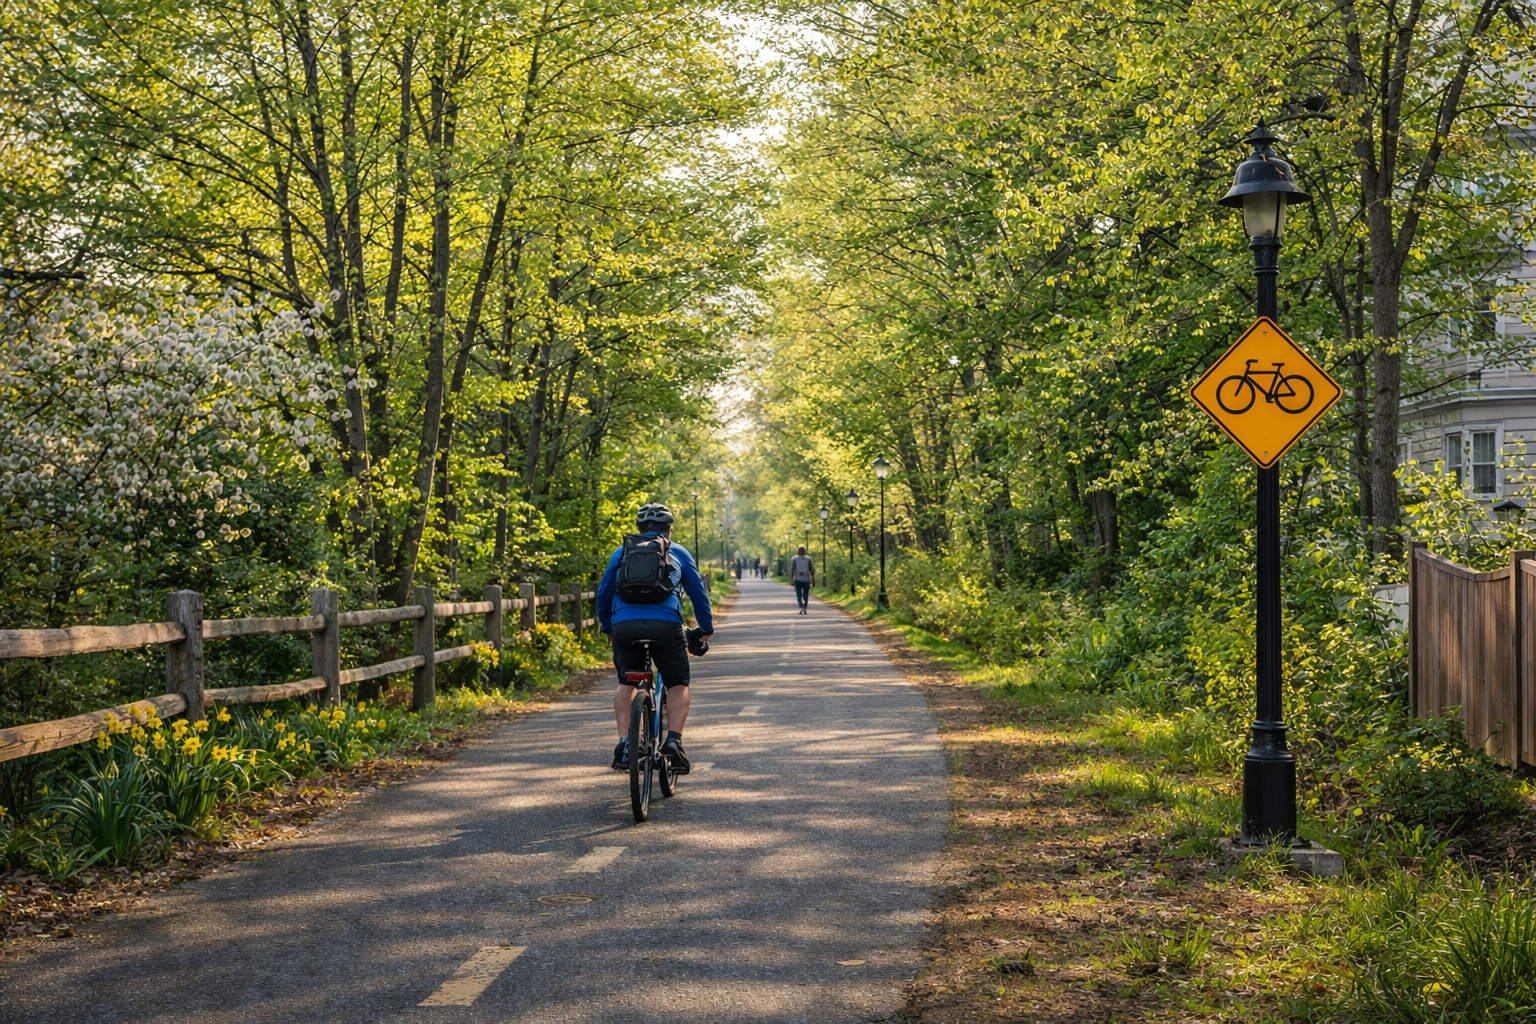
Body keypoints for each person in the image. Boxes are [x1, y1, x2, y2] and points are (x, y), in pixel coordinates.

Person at [597, 503, 713, 773]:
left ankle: (626, 743)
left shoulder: (621, 552)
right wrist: (705, 629)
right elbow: (697, 594)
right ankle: (673, 740)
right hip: (666, 626)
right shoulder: (679, 552)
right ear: (669, 531)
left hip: (625, 625)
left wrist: (608, 628)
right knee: (677, 682)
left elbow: (604, 593)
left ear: (639, 530)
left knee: (627, 682)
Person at [790, 545, 814, 614]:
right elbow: (811, 570)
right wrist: (812, 579)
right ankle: (803, 606)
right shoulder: (807, 559)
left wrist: (792, 579)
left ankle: (802, 606)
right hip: (803, 579)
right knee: (803, 594)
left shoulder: (796, 559)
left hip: (801, 579)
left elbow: (793, 570)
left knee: (801, 594)